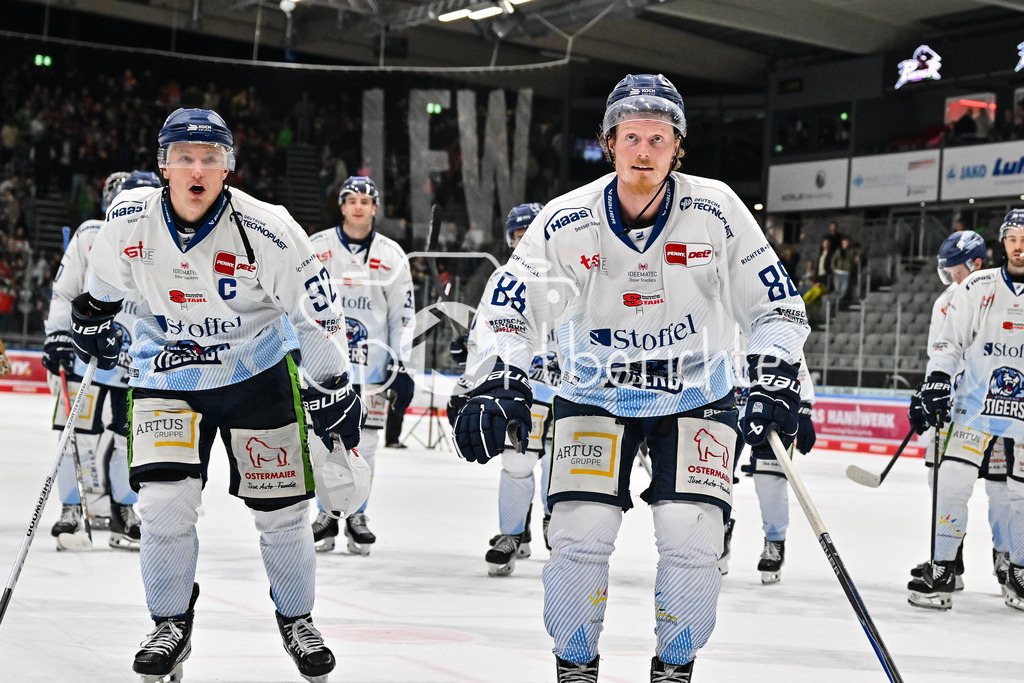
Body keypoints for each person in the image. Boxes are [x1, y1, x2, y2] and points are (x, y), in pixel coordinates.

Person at [447, 74, 809, 681]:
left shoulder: (717, 210)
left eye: (659, 139)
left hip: (699, 390)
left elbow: (774, 305)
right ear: (610, 141)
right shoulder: (565, 221)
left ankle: (675, 668)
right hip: (592, 391)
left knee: (691, 534)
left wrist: (773, 377)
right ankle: (576, 665)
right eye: (632, 137)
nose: (645, 151)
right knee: (580, 532)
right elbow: (509, 305)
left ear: (677, 147)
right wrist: (495, 377)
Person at [71, 108, 363, 681]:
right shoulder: (129, 218)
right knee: (162, 507)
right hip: (167, 375)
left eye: (210, 158)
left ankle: (297, 620)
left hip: (255, 372)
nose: (197, 169)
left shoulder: (269, 227)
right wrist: (90, 317)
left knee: (282, 514)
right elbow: (101, 285)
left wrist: (330, 385)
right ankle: (169, 624)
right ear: (163, 166)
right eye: (184, 157)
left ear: (228, 167)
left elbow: (318, 316)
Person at [42, 170, 162, 551]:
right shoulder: (92, 234)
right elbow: (65, 289)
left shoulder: (165, 242)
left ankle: (123, 509)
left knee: (131, 437)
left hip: (135, 363)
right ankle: (71, 507)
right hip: (85, 358)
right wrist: (59, 335)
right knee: (75, 434)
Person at [307, 175, 415, 555]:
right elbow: (300, 303)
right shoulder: (316, 246)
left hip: (372, 367)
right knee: (324, 440)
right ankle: (325, 514)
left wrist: (401, 364)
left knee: (364, 446)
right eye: (351, 199)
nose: (358, 207)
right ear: (341, 205)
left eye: (365, 201)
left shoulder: (392, 254)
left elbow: (403, 314)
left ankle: (357, 515)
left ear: (375, 208)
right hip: (325, 363)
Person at [907, 229, 1014, 608]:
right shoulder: (946, 301)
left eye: (954, 271)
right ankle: (950, 561)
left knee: (1004, 487)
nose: (950, 279)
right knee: (945, 481)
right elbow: (940, 354)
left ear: (977, 264)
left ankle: (1009, 561)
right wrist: (929, 392)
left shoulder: (994, 295)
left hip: (999, 408)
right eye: (946, 272)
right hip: (956, 409)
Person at [449, 202, 556, 576]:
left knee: (565, 466)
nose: (524, 240)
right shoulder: (505, 278)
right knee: (516, 463)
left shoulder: (572, 267)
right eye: (518, 234)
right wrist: (470, 370)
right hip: (522, 387)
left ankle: (556, 528)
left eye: (531, 232)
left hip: (576, 389)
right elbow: (491, 329)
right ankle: (511, 534)